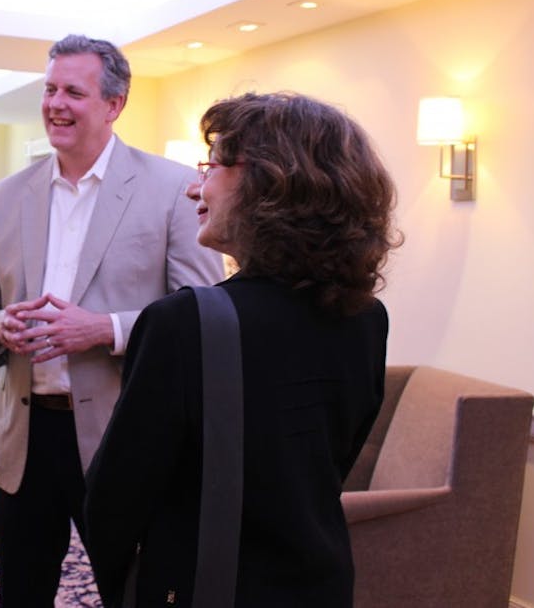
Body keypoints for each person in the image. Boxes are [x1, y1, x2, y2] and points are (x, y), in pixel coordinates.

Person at [84, 91, 402, 607]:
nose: (194, 188)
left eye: (210, 167)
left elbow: (113, 504)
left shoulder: (182, 323)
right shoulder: (366, 318)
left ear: (266, 181)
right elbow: (329, 465)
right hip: (322, 584)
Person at [0, 34, 223, 605]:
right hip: (22, 440)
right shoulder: (6, 195)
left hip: (124, 435)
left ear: (113, 104)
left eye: (73, 92)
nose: (55, 104)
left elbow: (204, 313)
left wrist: (105, 330)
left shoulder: (175, 188)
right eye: (49, 89)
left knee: (131, 594)